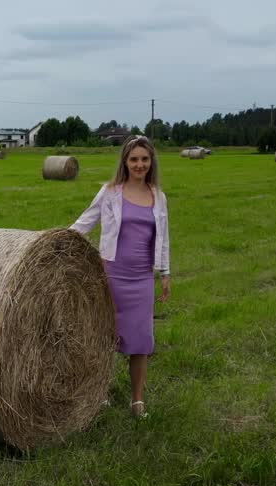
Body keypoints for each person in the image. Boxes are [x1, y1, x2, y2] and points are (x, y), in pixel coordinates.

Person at [70, 135, 171, 419]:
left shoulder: (158, 196)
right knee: (105, 337)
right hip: (111, 276)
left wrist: (165, 272)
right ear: (125, 162)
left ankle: (136, 400)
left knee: (140, 340)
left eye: (144, 159)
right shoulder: (110, 192)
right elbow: (85, 221)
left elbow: (162, 238)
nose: (139, 164)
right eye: (134, 159)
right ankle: (98, 393)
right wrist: (57, 242)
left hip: (141, 279)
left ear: (151, 163)